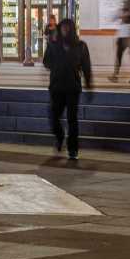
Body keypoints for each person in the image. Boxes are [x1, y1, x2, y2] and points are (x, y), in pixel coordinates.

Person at [43, 18, 93, 161]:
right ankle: (59, 136)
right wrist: (52, 46)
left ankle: (73, 149)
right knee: (53, 116)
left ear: (72, 29)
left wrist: (89, 84)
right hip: (56, 87)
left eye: (67, 28)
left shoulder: (81, 46)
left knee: (72, 120)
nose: (65, 30)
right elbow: (46, 63)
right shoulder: (54, 44)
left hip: (72, 88)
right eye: (62, 28)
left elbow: (86, 66)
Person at [110, 6, 130, 82]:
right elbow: (113, 18)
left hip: (126, 37)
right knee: (120, 57)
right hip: (125, 36)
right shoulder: (125, 11)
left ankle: (116, 75)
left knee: (120, 57)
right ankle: (116, 75)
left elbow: (112, 18)